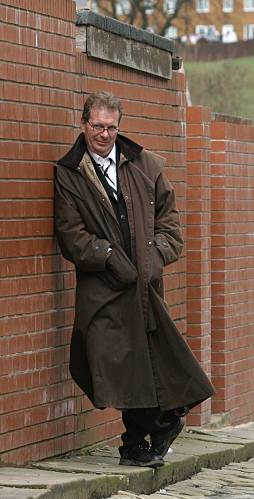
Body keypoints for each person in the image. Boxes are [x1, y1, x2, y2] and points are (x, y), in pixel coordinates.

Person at [54, 92, 215, 468]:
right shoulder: (70, 172)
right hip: (103, 288)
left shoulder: (146, 164)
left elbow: (170, 225)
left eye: (112, 127)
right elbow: (70, 234)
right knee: (114, 360)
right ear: (83, 124)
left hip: (145, 287)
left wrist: (154, 258)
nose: (105, 135)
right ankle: (154, 429)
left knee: (148, 361)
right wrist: (107, 257)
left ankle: (141, 440)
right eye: (98, 126)